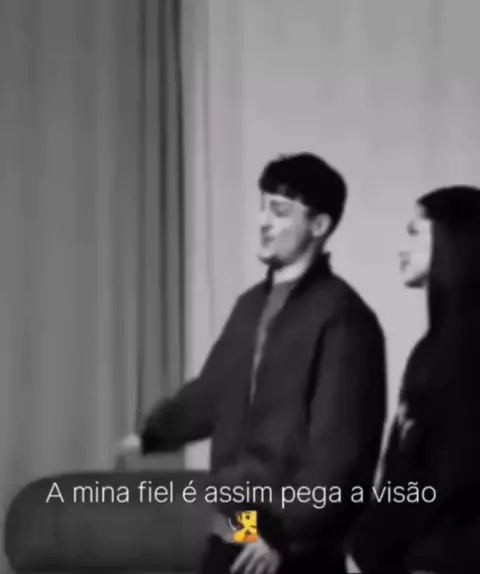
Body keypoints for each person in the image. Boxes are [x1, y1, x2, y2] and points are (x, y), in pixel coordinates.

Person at [119, 153, 387, 574]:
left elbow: (340, 453)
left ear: (319, 225)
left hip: (293, 546)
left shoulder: (345, 318)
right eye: (262, 208)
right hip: (239, 528)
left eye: (279, 212)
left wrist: (283, 534)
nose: (263, 222)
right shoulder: (249, 306)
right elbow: (211, 393)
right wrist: (151, 435)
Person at [346, 185, 480, 574]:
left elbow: (427, 477)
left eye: (414, 232)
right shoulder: (442, 347)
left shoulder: (452, 355)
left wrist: (365, 549)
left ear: (451, 241)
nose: (402, 249)